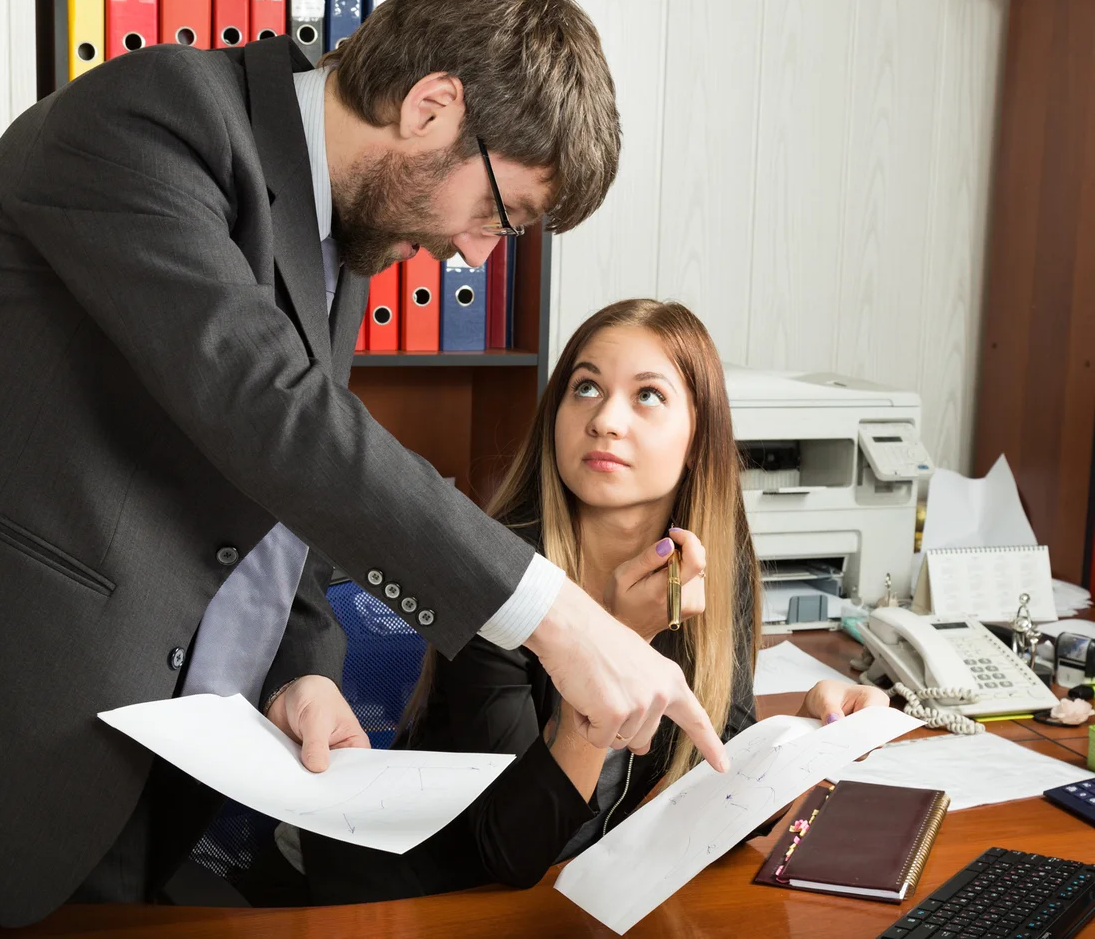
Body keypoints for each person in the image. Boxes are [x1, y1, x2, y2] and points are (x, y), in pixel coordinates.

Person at [0, 0, 729, 927]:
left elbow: (269, 494)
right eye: (501, 214)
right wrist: (563, 621)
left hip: (123, 749)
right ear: (431, 107)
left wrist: (302, 667)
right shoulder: (155, 118)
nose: (474, 256)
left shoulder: (334, 233)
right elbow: (273, 417)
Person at [241, 299, 889, 905]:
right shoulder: (501, 574)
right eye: (586, 388)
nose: (605, 418)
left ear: (698, 446)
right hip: (403, 902)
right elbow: (511, 851)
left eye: (647, 396)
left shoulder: (705, 565)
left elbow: (719, 771)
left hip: (569, 899)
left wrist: (806, 732)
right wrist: (623, 645)